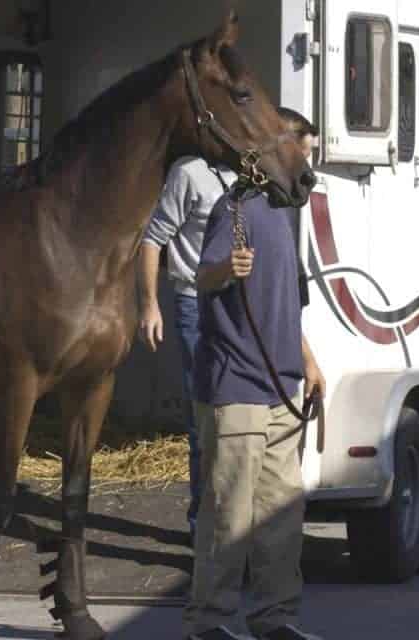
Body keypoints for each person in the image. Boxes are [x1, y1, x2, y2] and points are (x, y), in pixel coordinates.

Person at [184, 110, 324, 640]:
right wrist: (226, 270)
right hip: (235, 387)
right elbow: (203, 276)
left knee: (281, 520)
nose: (305, 163)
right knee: (229, 517)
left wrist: (308, 362)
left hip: (281, 386)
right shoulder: (235, 209)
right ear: (270, 154)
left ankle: (275, 618)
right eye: (300, 151)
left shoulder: (285, 215)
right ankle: (208, 622)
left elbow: (289, 304)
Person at [138, 156, 238, 540]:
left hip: (238, 304)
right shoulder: (188, 173)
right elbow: (153, 239)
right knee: (203, 417)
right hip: (195, 302)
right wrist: (149, 304)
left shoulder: (249, 171)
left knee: (238, 413)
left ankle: (232, 522)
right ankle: (202, 527)